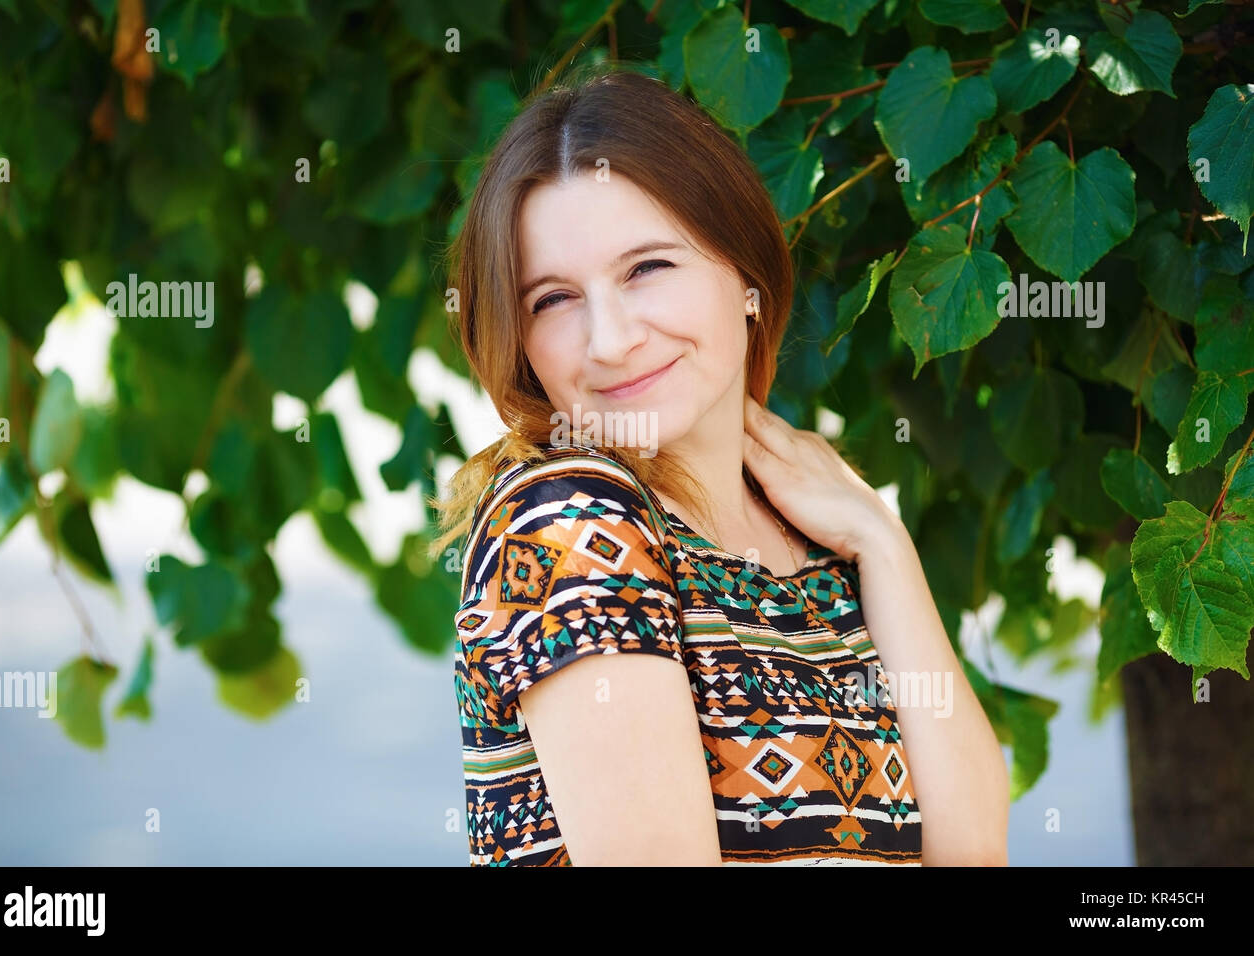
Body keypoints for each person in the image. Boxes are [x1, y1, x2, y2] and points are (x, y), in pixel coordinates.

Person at [430, 62, 1009, 866]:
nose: (610, 339)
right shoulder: (568, 518)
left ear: (744, 275)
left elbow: (976, 853)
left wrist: (883, 545)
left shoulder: (817, 539)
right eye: (553, 299)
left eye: (647, 268)